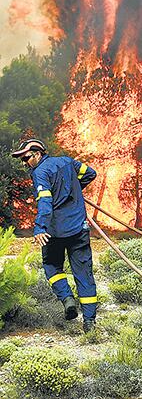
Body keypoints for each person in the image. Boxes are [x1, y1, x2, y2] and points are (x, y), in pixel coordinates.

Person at [11, 138, 99, 331]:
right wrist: (73, 191)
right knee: (84, 273)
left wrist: (40, 228)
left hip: (55, 232)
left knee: (51, 266)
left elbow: (45, 202)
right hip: (79, 229)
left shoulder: (39, 172)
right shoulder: (68, 162)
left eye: (26, 158)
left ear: (38, 154)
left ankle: (67, 299)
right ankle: (89, 322)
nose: (25, 163)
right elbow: (90, 173)